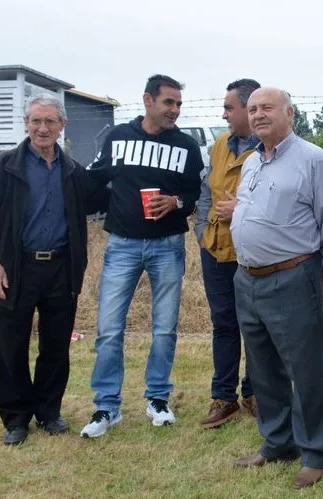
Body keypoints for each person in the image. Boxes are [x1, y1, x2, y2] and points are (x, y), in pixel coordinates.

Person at [0, 95, 108, 445]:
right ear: (26, 124)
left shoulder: (73, 171)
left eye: (50, 122)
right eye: (36, 121)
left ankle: (49, 412)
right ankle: (16, 419)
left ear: (62, 126)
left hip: (61, 268)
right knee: (11, 345)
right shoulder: (6, 167)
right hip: (16, 269)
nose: (43, 128)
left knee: (55, 346)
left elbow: (102, 199)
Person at [230, 87, 323, 490]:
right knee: (262, 366)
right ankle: (278, 441)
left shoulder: (312, 159)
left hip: (293, 276)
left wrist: (314, 270)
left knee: (306, 368)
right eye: (252, 109)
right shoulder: (250, 163)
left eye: (267, 108)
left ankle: (315, 451)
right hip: (247, 279)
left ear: (289, 113)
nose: (258, 114)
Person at [80, 74, 204, 438]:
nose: (175, 110)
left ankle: (158, 399)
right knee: (109, 329)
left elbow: (196, 194)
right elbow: (93, 179)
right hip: (122, 245)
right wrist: (109, 206)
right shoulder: (118, 137)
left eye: (179, 104)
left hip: (168, 246)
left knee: (164, 329)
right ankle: (106, 407)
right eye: (169, 102)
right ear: (148, 100)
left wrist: (177, 202)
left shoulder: (186, 145)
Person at [194, 78, 261, 429]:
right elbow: (207, 189)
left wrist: (243, 211)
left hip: (250, 252)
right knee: (223, 323)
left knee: (254, 325)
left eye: (228, 107)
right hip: (216, 251)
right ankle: (224, 397)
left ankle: (254, 392)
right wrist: (203, 233)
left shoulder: (268, 148)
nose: (224, 114)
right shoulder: (220, 145)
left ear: (249, 109)